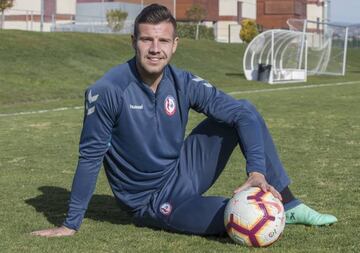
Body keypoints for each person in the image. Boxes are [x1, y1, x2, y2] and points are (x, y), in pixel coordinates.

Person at [31, 4, 337, 238]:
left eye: (163, 40)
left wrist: (256, 168)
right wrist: (70, 224)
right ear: (133, 41)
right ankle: (262, 211)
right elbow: (90, 157)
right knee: (241, 219)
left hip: (183, 172)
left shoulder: (183, 81)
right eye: (146, 40)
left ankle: (290, 204)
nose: (155, 48)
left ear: (175, 44)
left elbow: (242, 115)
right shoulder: (108, 90)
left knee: (244, 110)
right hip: (150, 200)